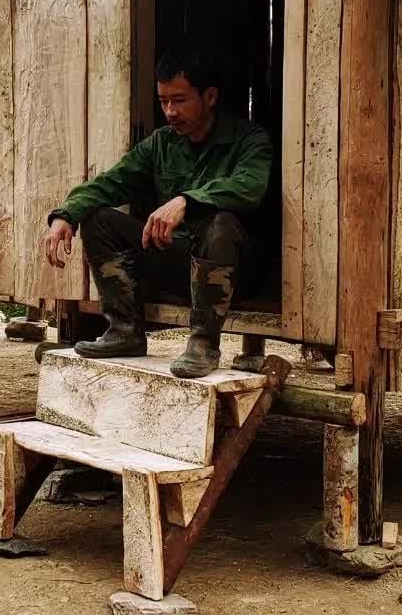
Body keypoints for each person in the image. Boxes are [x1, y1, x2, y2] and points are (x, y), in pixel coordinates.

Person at [42, 44, 272, 378]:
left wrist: (186, 200)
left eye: (179, 100)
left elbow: (250, 187)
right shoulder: (161, 143)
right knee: (98, 219)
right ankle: (124, 331)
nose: (169, 112)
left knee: (221, 223)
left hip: (234, 273)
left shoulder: (250, 138)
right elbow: (110, 183)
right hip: (180, 262)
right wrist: (66, 214)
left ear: (209, 97)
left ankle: (203, 344)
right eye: (163, 101)